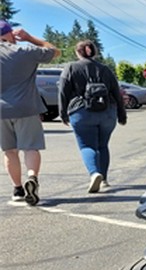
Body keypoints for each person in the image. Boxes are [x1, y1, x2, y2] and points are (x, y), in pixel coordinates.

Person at [0, 20, 60, 205]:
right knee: (30, 147)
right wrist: (29, 38)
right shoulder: (24, 51)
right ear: (10, 34)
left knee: (9, 151)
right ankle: (32, 177)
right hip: (26, 108)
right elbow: (55, 52)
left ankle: (17, 190)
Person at [59, 40, 127, 193]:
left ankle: (94, 173)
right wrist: (122, 114)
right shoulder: (105, 69)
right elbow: (116, 92)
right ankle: (104, 179)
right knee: (103, 145)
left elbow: (63, 92)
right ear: (94, 52)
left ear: (78, 52)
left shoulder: (70, 67)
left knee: (87, 146)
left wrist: (63, 113)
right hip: (107, 112)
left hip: (81, 112)